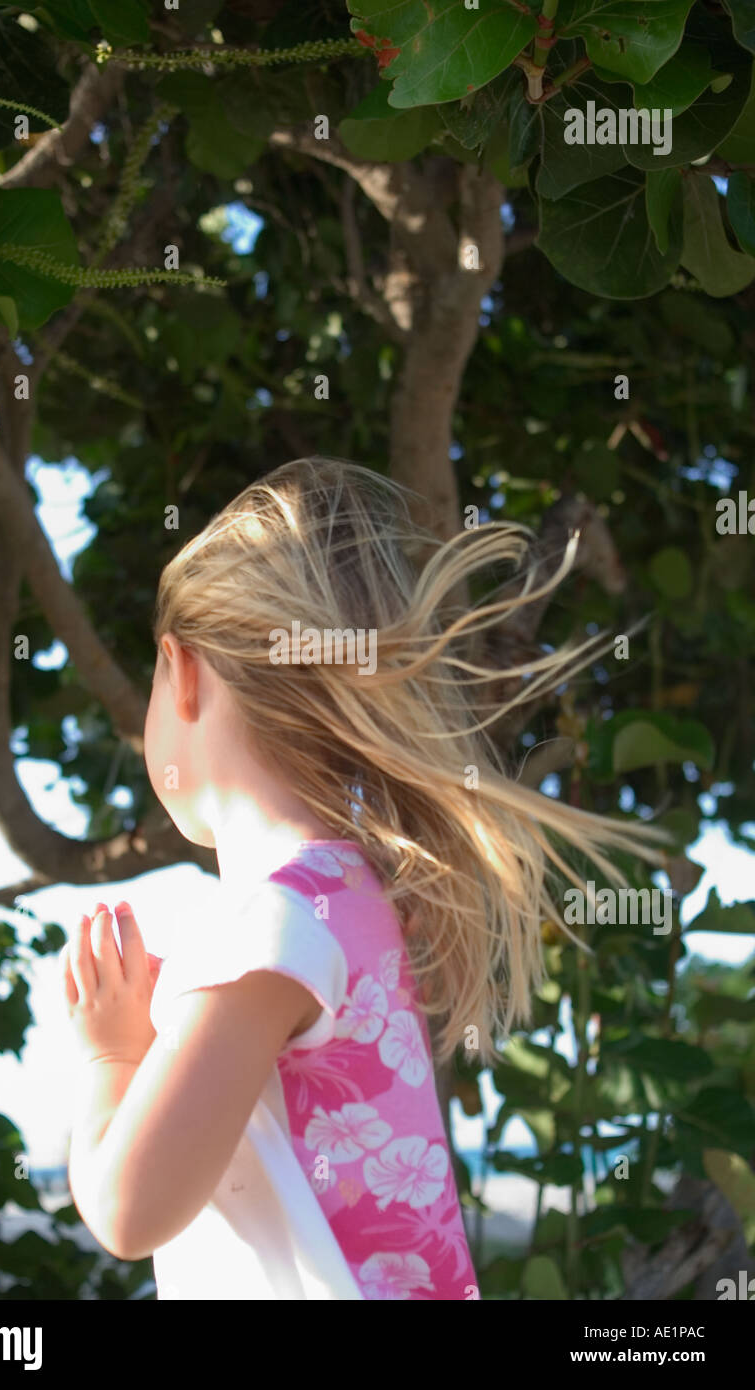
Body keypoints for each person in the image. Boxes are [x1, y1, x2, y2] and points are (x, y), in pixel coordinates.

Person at [61, 455, 664, 1299]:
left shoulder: (263, 930)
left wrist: (111, 1054)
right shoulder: (360, 896)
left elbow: (129, 1211)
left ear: (183, 672)